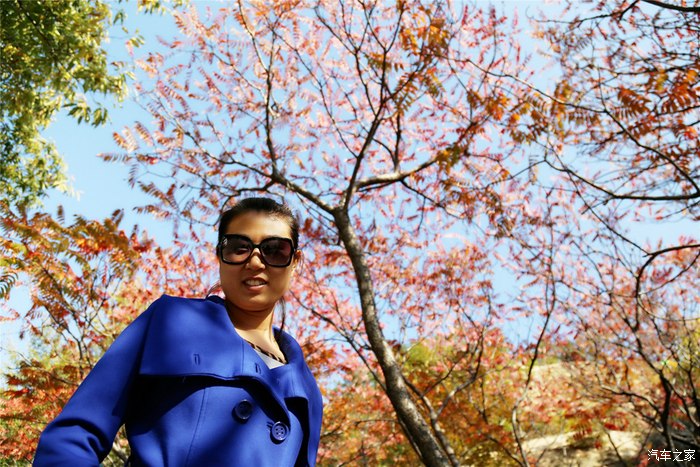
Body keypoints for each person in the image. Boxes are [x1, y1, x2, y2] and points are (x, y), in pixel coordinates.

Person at [34, 197, 323, 466]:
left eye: (275, 250)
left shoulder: (305, 386)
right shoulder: (172, 321)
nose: (256, 262)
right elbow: (74, 434)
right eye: (239, 247)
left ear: (295, 262)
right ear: (220, 255)